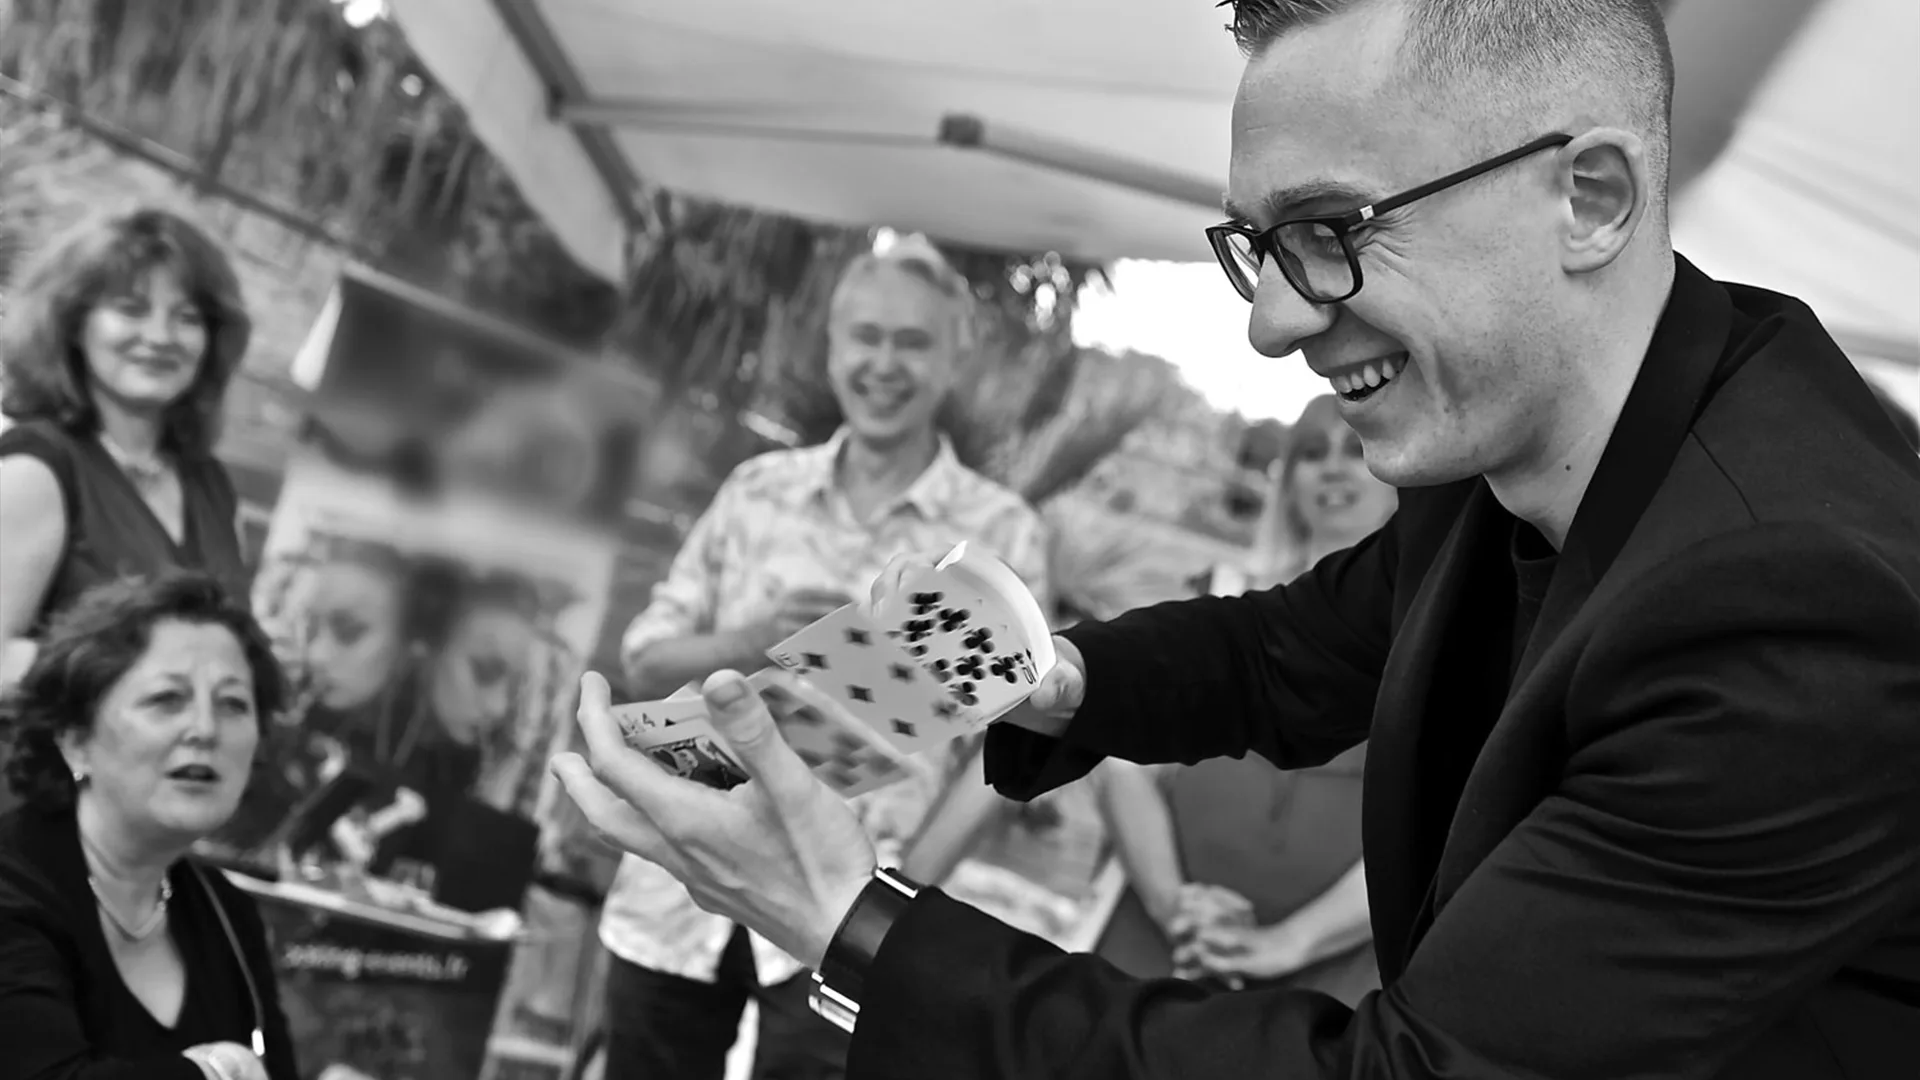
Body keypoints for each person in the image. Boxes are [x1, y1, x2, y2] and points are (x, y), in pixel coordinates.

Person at [549, 2, 1920, 1078]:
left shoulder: (1800, 599)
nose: (1272, 322)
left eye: (1330, 233)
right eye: (1256, 246)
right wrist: (1038, 671)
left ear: (1595, 197)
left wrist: (851, 919)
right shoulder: (1504, 435)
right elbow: (1293, 651)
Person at [596, 235, 1051, 1080]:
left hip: (847, 907)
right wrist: (745, 639)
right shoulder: (756, 489)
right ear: (835, 348)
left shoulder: (1000, 534)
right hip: (679, 881)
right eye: (866, 337)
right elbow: (644, 662)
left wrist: (900, 898)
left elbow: (1005, 758)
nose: (884, 362)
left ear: (953, 361)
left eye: (912, 342)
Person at [1096, 394, 1396, 1003]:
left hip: (1326, 978)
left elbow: (1434, 828)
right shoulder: (1220, 600)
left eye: (1356, 448)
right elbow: (1121, 762)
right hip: (1157, 942)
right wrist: (1174, 905)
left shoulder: (1437, 640)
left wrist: (1287, 942)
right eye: (1313, 453)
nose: (1334, 468)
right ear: (1289, 480)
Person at [0, 572, 298, 1080]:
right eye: (166, 699)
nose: (205, 730)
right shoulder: (11, 885)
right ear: (74, 737)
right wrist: (212, 1074)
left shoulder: (228, 913)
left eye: (232, 704)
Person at [0, 208, 254, 660]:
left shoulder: (212, 485)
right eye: (131, 310)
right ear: (74, 325)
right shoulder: (36, 470)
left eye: (187, 318)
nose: (160, 336)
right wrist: (127, 682)